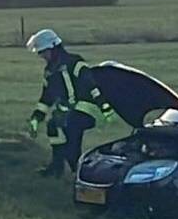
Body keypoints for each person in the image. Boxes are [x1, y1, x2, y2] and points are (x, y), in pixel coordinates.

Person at [26, 29, 115, 177]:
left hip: (89, 108)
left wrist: (104, 107)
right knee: (53, 125)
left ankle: (78, 172)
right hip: (70, 109)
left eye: (44, 52)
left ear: (54, 47)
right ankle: (57, 167)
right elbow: (46, 98)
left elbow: (91, 85)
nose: (42, 56)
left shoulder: (75, 62)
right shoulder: (50, 71)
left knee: (71, 130)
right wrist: (36, 118)